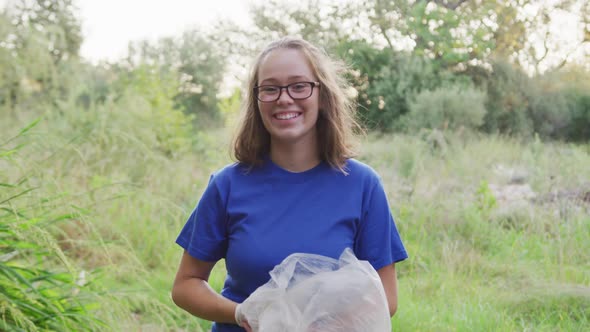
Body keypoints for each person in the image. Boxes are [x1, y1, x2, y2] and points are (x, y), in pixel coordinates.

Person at [171, 37, 408, 332]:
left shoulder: (363, 185)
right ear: (257, 101)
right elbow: (185, 285)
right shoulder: (227, 185)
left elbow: (386, 298)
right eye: (270, 88)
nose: (284, 98)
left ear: (322, 95)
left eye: (299, 85)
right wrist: (242, 314)